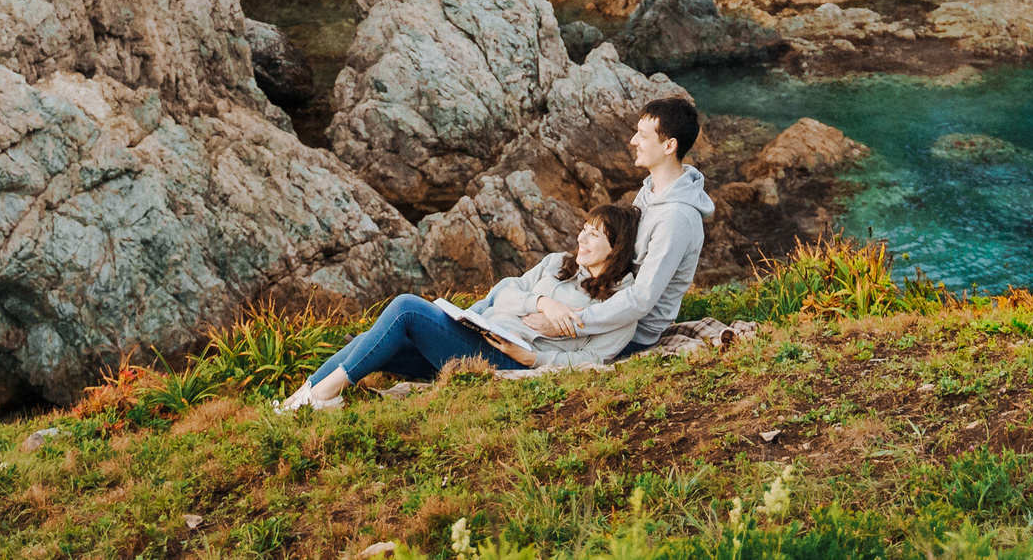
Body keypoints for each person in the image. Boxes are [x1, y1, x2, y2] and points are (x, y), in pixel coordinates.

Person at [278, 201, 643, 410]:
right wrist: (543, 301)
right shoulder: (556, 264)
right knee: (371, 338)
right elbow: (504, 292)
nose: (581, 238)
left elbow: (593, 361)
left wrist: (534, 359)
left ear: (617, 247)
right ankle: (302, 398)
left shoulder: (619, 304)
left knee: (406, 309)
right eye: (583, 228)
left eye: (593, 234)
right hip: (476, 333)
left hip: (508, 359)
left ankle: (324, 396)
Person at [524, 95, 714, 359]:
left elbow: (641, 299)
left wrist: (568, 324)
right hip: (597, 298)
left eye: (643, 136)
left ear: (669, 146)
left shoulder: (676, 219)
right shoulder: (650, 191)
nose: (633, 141)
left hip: (624, 333)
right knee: (514, 299)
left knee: (490, 332)